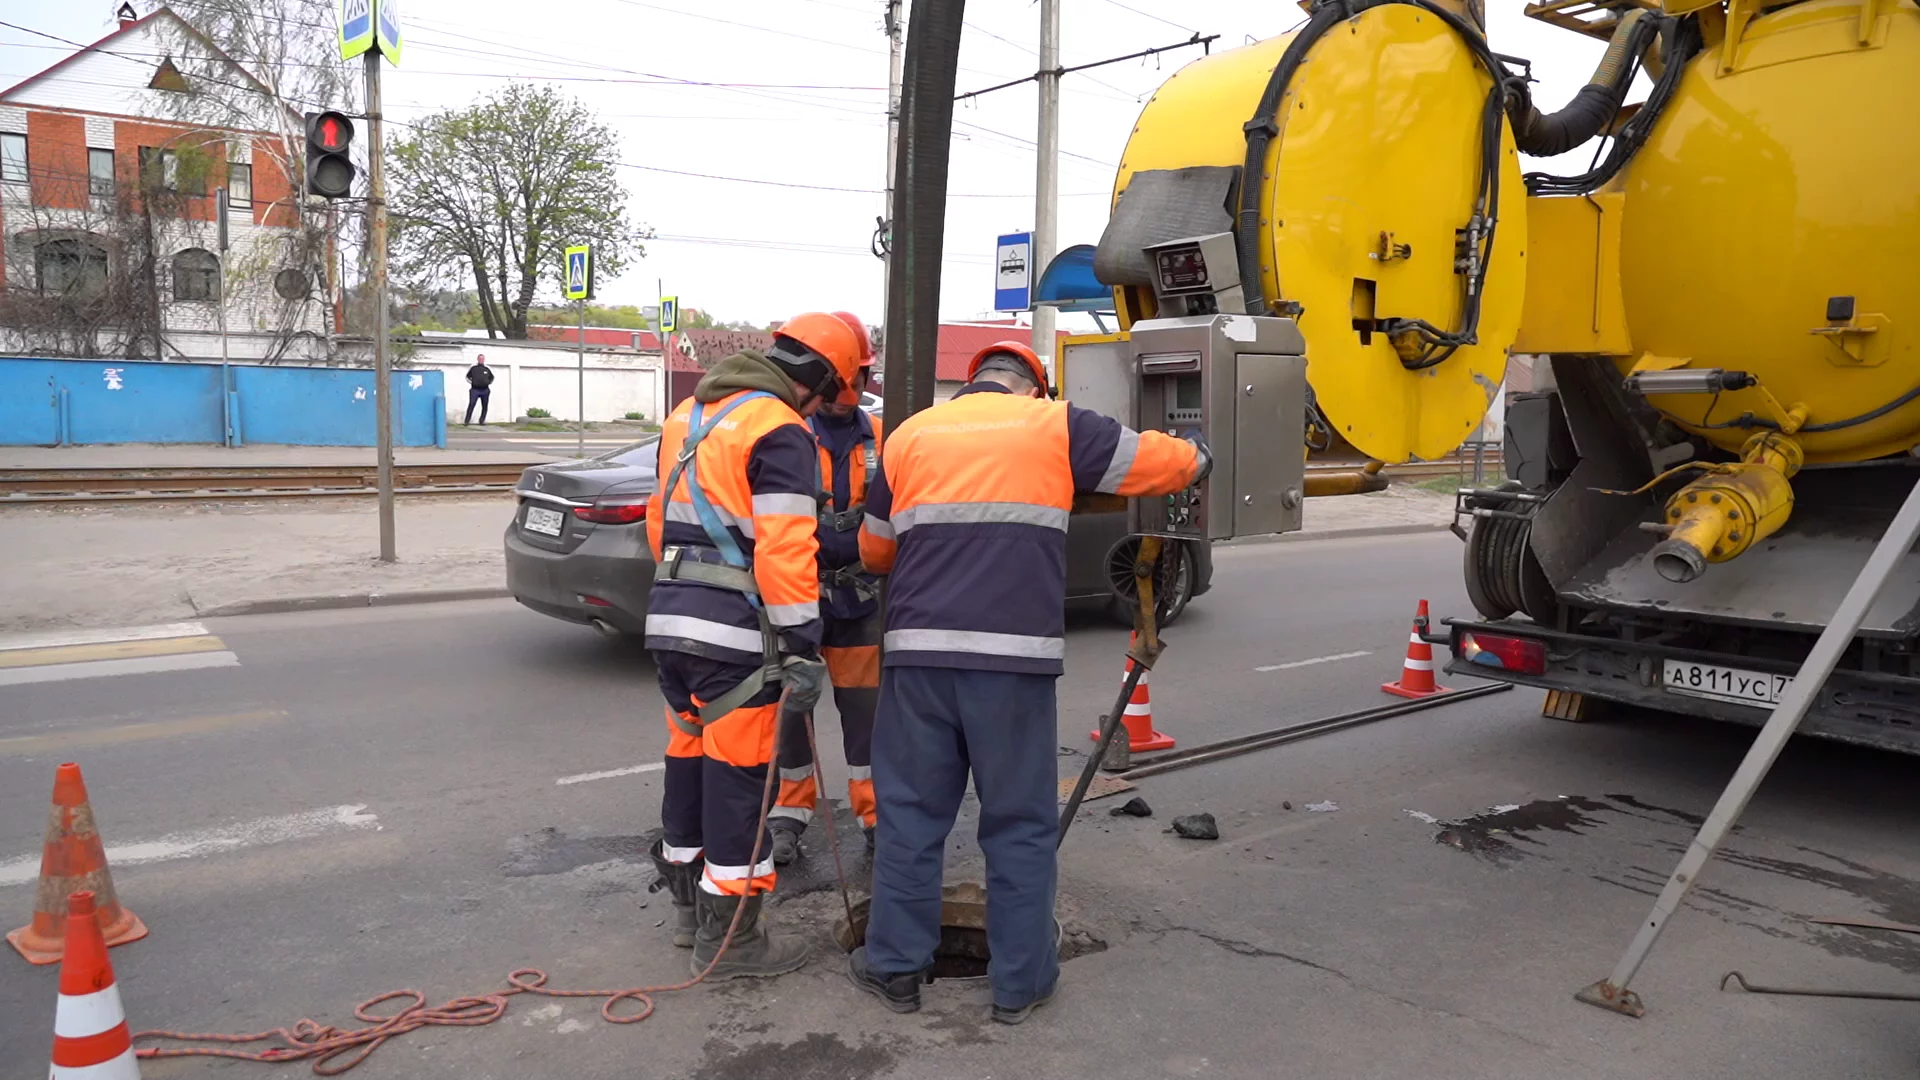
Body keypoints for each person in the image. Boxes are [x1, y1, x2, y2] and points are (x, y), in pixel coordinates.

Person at [849, 341, 1209, 1022]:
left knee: (911, 818)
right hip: (1012, 666)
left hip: (918, 661)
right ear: (1033, 390)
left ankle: (895, 968)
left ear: (972, 386)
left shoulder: (910, 435)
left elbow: (873, 551)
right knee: (1017, 824)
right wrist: (1198, 454)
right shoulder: (1056, 425)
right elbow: (1156, 464)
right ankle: (1020, 984)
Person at [642, 312, 864, 980]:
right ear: (821, 379)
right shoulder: (780, 430)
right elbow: (787, 549)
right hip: (733, 641)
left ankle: (688, 917)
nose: (828, 406)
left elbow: (660, 520)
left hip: (670, 623)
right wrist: (801, 643)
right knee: (739, 782)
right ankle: (733, 943)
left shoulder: (688, 413)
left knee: (687, 760)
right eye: (832, 392)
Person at [768, 311, 883, 866]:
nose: (847, 392)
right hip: (800, 598)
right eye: (841, 380)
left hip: (859, 600)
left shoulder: (881, 437)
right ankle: (790, 811)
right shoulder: (789, 430)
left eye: (857, 381)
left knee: (866, 715)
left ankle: (873, 811)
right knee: (792, 713)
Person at [464, 356, 494, 425]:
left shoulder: (487, 368)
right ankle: (466, 421)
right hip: (475, 390)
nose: (481, 360)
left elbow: (492, 378)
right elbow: (467, 377)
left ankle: (482, 421)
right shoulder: (473, 368)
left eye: (482, 359)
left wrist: (488, 383)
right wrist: (473, 382)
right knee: (471, 404)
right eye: (480, 359)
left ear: (484, 360)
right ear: (478, 359)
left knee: (485, 406)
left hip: (485, 390)